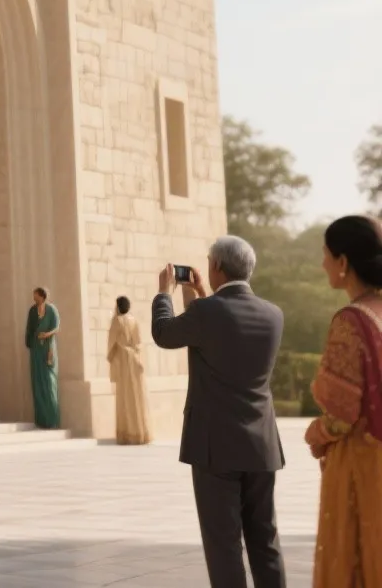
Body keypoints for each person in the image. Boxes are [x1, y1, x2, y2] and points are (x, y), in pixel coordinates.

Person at [152, 237, 286, 588]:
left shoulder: (207, 313)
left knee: (223, 544)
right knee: (264, 540)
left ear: (216, 267)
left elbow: (165, 333)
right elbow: (217, 334)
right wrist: (198, 296)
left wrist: (164, 293)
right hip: (261, 444)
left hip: (215, 448)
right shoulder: (273, 314)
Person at [304, 214, 382, 587]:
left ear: (344, 262)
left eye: (325, 254)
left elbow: (341, 416)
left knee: (356, 565)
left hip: (364, 468)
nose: (322, 264)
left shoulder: (352, 320)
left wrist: (315, 434)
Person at [107, 296, 152, 445]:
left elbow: (111, 342)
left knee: (125, 398)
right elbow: (138, 342)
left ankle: (127, 435)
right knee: (137, 397)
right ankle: (140, 433)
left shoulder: (117, 321)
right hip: (135, 360)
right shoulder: (134, 320)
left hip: (123, 362)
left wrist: (111, 355)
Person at [25, 287, 61, 429]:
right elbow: (29, 329)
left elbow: (57, 327)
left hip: (48, 348)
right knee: (37, 382)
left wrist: (46, 335)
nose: (34, 297)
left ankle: (52, 419)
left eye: (36, 295)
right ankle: (41, 420)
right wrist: (30, 342)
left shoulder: (51, 310)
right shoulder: (32, 311)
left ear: (42, 296)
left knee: (49, 382)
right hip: (36, 349)